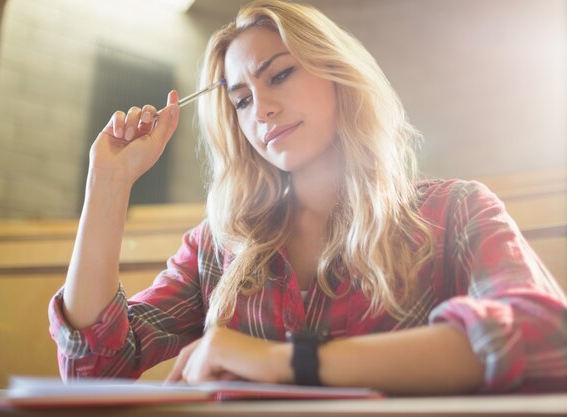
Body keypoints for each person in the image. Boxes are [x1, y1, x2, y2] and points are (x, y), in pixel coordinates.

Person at [49, 0, 567, 394]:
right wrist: (108, 182)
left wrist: (285, 362)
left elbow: (545, 334)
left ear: (337, 73)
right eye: (242, 100)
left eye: (280, 74)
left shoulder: (454, 212)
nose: (262, 110)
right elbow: (95, 366)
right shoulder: (217, 248)